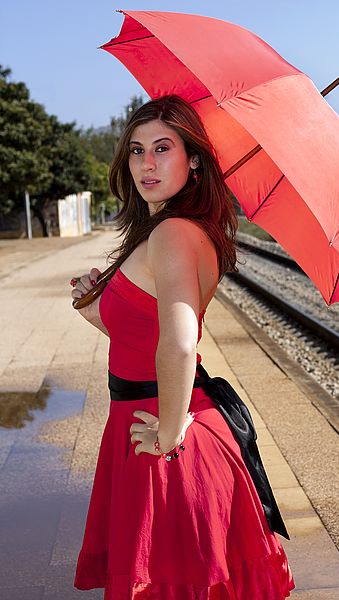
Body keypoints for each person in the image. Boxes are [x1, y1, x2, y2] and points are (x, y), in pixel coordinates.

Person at [71, 95, 295, 598]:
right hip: (162, 420)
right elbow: (148, 333)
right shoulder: (178, 228)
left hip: (165, 434)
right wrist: (96, 309)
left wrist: (169, 433)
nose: (146, 164)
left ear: (193, 158)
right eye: (136, 150)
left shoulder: (172, 232)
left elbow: (177, 341)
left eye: (163, 149)